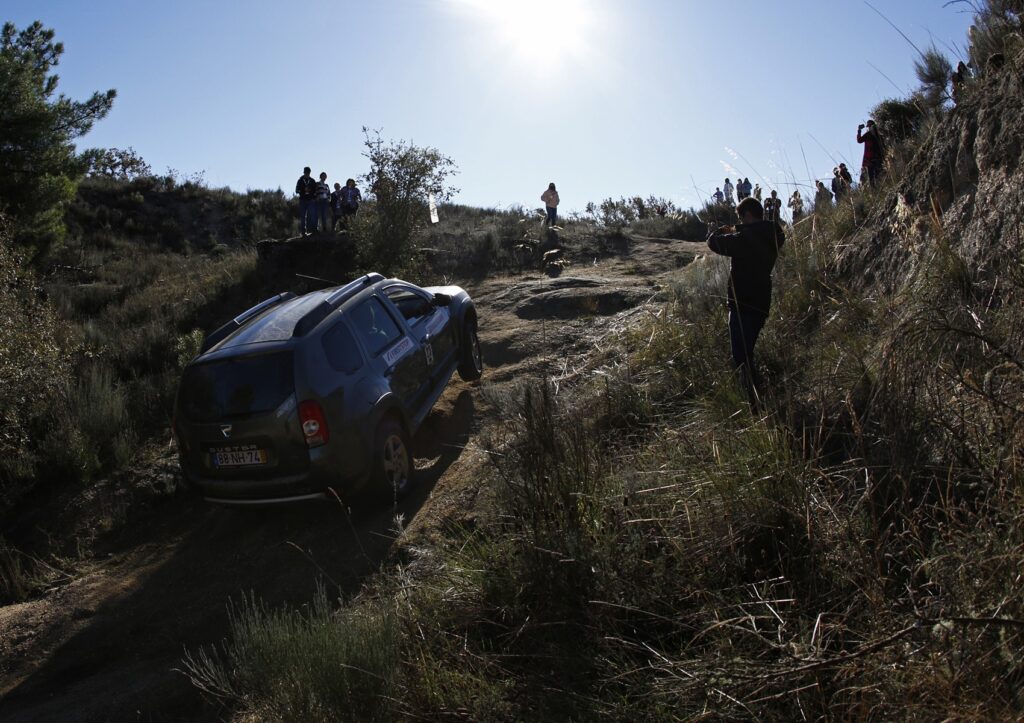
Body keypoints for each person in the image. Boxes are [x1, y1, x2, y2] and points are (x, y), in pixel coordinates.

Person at [706, 196, 786, 403]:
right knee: (748, 351)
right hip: (762, 301)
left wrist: (723, 231)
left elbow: (712, 243)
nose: (739, 222)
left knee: (741, 358)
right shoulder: (774, 234)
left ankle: (752, 400)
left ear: (748, 215)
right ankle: (758, 395)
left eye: (741, 218)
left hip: (741, 303)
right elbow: (774, 230)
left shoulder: (742, 240)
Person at [857, 119, 885, 186]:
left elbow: (859, 140)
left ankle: (874, 191)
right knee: (879, 174)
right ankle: (881, 186)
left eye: (869, 126)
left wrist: (859, 130)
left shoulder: (868, 134)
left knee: (872, 177)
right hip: (879, 157)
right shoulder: (879, 135)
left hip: (869, 159)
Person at [295, 166, 317, 235]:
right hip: (303, 200)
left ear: (310, 173)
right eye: (306, 172)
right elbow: (296, 190)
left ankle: (314, 230)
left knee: (312, 215)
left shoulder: (312, 181)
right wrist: (302, 190)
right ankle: (303, 232)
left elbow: (315, 190)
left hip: (311, 200)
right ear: (304, 172)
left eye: (308, 172)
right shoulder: (300, 180)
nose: (307, 174)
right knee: (303, 216)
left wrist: (313, 196)